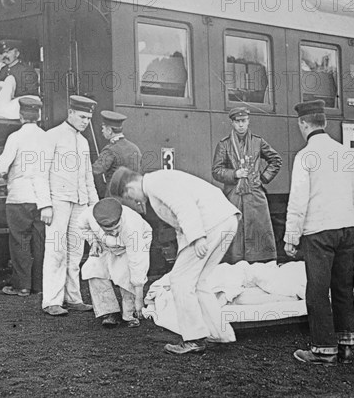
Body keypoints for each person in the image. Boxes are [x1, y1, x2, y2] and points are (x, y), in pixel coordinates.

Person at [108, 167, 240, 354]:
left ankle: (194, 339)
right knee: (197, 280)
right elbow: (180, 225)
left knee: (180, 280)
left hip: (210, 224)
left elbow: (184, 206)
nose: (135, 201)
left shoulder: (155, 183)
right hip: (224, 220)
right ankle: (220, 333)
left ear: (130, 188)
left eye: (130, 197)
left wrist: (197, 237)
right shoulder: (158, 182)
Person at [284, 100, 354, 366]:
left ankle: (323, 349)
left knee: (317, 291)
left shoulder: (305, 156)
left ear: (303, 124)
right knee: (343, 287)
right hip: (346, 229)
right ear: (325, 123)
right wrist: (353, 224)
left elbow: (298, 202)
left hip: (319, 232)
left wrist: (291, 238)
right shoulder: (345, 153)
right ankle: (346, 344)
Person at [40, 95, 100, 316]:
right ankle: (51, 301)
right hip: (58, 201)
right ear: (71, 113)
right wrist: (44, 204)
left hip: (80, 202)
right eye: (82, 116)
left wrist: (95, 206)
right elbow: (40, 173)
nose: (85, 121)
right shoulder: (52, 136)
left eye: (89, 118)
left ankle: (73, 298)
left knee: (76, 251)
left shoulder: (83, 142)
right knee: (56, 250)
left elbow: (87, 178)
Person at [0, 97, 47, 297]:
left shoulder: (15, 137)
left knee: (20, 240)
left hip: (19, 197)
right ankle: (39, 286)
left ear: (21, 116)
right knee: (40, 241)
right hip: (42, 198)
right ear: (38, 116)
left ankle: (22, 285)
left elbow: (1, 167)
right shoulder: (46, 137)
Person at [212, 107, 282, 263]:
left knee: (259, 233)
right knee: (234, 234)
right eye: (237, 122)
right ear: (232, 123)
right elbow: (216, 171)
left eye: (244, 121)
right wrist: (234, 174)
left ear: (248, 121)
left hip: (254, 195)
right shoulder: (224, 144)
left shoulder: (258, 142)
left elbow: (276, 160)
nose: (241, 125)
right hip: (234, 195)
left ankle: (260, 266)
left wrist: (263, 178)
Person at [78, 198, 151, 328]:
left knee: (127, 276)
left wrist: (140, 297)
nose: (114, 232)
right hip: (105, 245)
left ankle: (131, 313)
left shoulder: (132, 227)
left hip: (130, 247)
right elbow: (82, 227)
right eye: (109, 230)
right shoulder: (88, 215)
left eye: (116, 228)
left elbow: (138, 262)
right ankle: (109, 312)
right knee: (93, 269)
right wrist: (93, 241)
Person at [92, 110, 142, 193]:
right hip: (133, 195)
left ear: (109, 130)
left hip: (114, 196)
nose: (102, 131)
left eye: (103, 128)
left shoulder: (110, 150)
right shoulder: (135, 148)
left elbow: (95, 170)